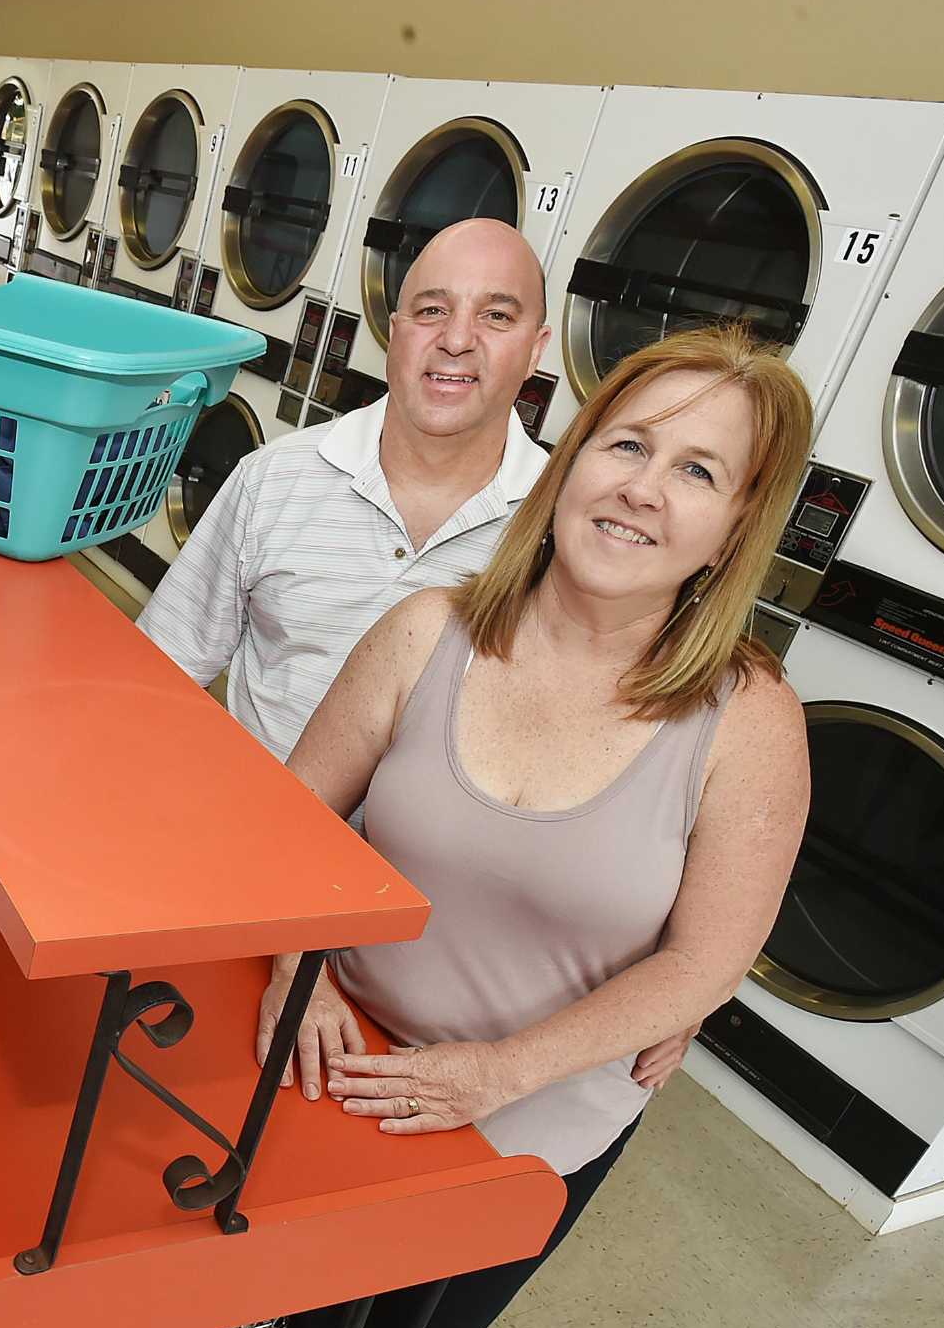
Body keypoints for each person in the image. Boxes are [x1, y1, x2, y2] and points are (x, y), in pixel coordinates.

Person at [268, 324, 814, 1328]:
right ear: (567, 464)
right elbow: (284, 826)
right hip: (332, 1065)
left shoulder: (746, 718)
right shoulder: (427, 631)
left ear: (734, 524)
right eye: (625, 446)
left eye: (696, 470)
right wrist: (297, 966)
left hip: (523, 1127)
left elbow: (707, 957)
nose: (642, 489)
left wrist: (502, 1070)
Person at [141, 219, 703, 1099]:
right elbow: (158, 681)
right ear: (392, 328)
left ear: (539, 349)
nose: (456, 341)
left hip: (462, 951)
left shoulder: (580, 529)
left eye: (497, 315)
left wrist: (679, 975)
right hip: (249, 891)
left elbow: (643, 756)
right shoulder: (276, 481)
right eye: (430, 309)